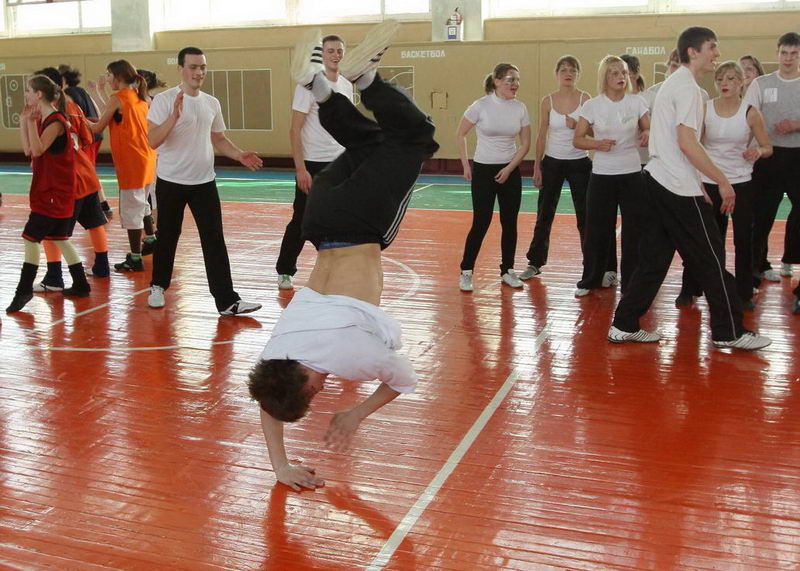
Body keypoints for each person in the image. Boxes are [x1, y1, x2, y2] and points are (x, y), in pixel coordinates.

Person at [248, 21, 438, 490]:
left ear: (303, 380)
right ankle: (317, 85)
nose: (322, 390)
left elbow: (404, 379)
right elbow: (269, 404)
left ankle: (363, 79)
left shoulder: (348, 357)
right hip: (319, 213)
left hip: (360, 223)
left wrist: (356, 414)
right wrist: (280, 467)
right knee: (372, 140)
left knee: (418, 138)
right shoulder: (279, 351)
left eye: (314, 393)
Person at [608, 26, 771, 351]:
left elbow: (677, 144)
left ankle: (623, 325)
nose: (717, 54)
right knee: (710, 258)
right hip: (675, 188)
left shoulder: (678, 85)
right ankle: (728, 331)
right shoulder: (688, 90)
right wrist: (721, 180)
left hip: (659, 180)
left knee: (654, 259)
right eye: (712, 47)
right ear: (693, 52)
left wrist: (701, 183)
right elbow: (687, 142)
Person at [146, 46, 263, 315]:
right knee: (168, 236)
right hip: (171, 181)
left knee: (214, 240)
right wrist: (174, 117)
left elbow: (218, 138)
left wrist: (239, 154)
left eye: (202, 67)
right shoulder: (163, 100)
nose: (199, 72)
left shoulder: (212, 103)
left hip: (204, 183)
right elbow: (152, 141)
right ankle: (158, 286)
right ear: (180, 69)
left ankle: (227, 301)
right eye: (193, 67)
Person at [677, 61, 772, 311]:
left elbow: (767, 146)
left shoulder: (750, 112)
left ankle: (743, 293)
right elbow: (695, 144)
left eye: (730, 79)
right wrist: (698, 180)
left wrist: (758, 151)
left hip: (741, 182)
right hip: (711, 181)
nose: (724, 84)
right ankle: (691, 287)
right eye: (720, 79)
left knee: (743, 240)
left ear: (741, 82)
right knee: (706, 239)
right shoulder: (706, 108)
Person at [6, 75, 91, 313]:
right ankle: (81, 284)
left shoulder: (56, 121)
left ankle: (23, 290)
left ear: (39, 94)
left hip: (55, 191)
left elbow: (38, 149)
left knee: (30, 237)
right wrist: (25, 122)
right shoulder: (45, 120)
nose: (26, 95)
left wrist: (31, 123)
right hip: (52, 189)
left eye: (28, 91)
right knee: (60, 238)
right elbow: (28, 150)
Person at [276, 34, 353, 291]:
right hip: (312, 163)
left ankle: (334, 266)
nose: (335, 55)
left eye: (339, 50)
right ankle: (285, 270)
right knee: (302, 218)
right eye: (330, 50)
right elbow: (294, 129)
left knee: (337, 217)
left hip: (338, 163)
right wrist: (301, 169)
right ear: (322, 54)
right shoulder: (308, 86)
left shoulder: (345, 85)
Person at [573, 55, 650, 297]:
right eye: (614, 73)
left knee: (634, 230)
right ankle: (591, 279)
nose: (620, 77)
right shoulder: (592, 105)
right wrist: (597, 144)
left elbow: (648, 127)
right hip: (602, 174)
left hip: (631, 173)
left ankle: (632, 283)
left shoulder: (637, 102)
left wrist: (647, 133)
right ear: (604, 77)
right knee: (597, 229)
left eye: (623, 73)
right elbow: (578, 139)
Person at [29, 67, 109, 291]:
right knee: (95, 222)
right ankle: (102, 265)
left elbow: (38, 149)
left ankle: (54, 277)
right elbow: (88, 138)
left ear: (41, 91)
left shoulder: (47, 115)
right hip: (86, 173)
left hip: (66, 179)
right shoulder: (73, 107)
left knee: (52, 231)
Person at [520, 55, 597, 281]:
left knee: (585, 214)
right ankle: (535, 262)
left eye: (572, 70)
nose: (568, 74)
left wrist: (578, 127)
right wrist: (537, 166)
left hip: (579, 162)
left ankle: (591, 264)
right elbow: (542, 135)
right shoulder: (548, 101)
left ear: (578, 74)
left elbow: (595, 132)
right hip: (552, 162)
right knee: (544, 213)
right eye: (563, 70)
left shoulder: (586, 99)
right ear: (557, 74)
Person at [457, 62, 531, 292]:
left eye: (517, 80)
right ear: (497, 81)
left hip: (510, 171)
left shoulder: (520, 108)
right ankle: (466, 270)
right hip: (483, 171)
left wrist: (509, 169)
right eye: (510, 79)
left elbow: (525, 144)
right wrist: (466, 165)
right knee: (481, 222)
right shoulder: (480, 106)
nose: (515, 84)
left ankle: (507, 270)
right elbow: (460, 133)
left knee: (509, 223)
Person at [90, 60, 156, 273]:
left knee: (131, 212)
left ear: (118, 77)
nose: (107, 78)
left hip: (131, 161)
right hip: (147, 158)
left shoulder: (118, 98)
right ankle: (151, 239)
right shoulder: (139, 96)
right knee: (142, 203)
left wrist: (76, 119)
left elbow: (98, 127)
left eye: (109, 75)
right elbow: (108, 115)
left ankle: (135, 258)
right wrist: (98, 92)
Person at [744, 32, 800, 285]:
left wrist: (796, 124)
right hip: (768, 156)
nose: (788, 58)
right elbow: (746, 117)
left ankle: (791, 258)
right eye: (784, 53)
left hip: (797, 157)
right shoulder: (761, 84)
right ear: (777, 53)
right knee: (762, 215)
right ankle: (758, 267)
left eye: (794, 53)